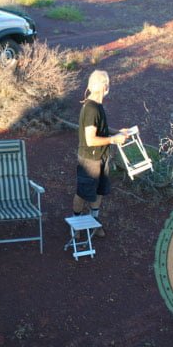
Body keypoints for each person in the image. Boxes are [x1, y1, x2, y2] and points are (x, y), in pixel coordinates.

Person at [73, 70, 128, 237]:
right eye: (107, 84)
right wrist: (113, 140)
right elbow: (90, 140)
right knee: (83, 193)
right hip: (90, 159)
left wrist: (118, 132)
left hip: (102, 157)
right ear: (104, 86)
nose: (108, 87)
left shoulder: (97, 106)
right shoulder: (91, 109)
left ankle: (94, 222)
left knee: (99, 191)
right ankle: (75, 225)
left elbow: (101, 130)